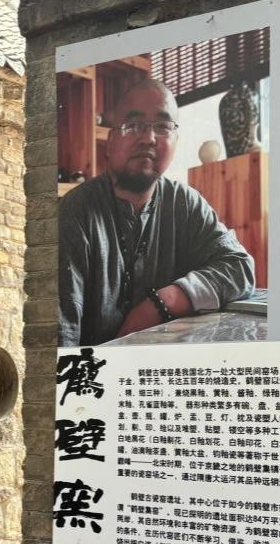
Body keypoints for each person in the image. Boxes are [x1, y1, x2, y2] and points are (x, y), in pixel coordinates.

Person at [58, 79, 256, 347]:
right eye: (134, 125)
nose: (148, 138)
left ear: (176, 140)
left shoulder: (185, 203)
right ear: (111, 141)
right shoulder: (76, 212)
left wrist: (166, 301)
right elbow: (61, 340)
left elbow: (239, 267)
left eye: (163, 127)